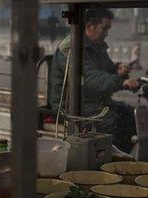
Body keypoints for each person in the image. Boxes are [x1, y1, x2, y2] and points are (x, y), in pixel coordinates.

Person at [49, 8, 139, 153]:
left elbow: (107, 68)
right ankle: (106, 163)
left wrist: (117, 68)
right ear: (90, 27)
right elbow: (90, 79)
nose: (106, 33)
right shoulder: (70, 47)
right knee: (110, 122)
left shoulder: (96, 46)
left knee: (130, 114)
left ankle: (124, 158)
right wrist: (122, 82)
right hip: (72, 104)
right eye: (104, 28)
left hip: (92, 100)